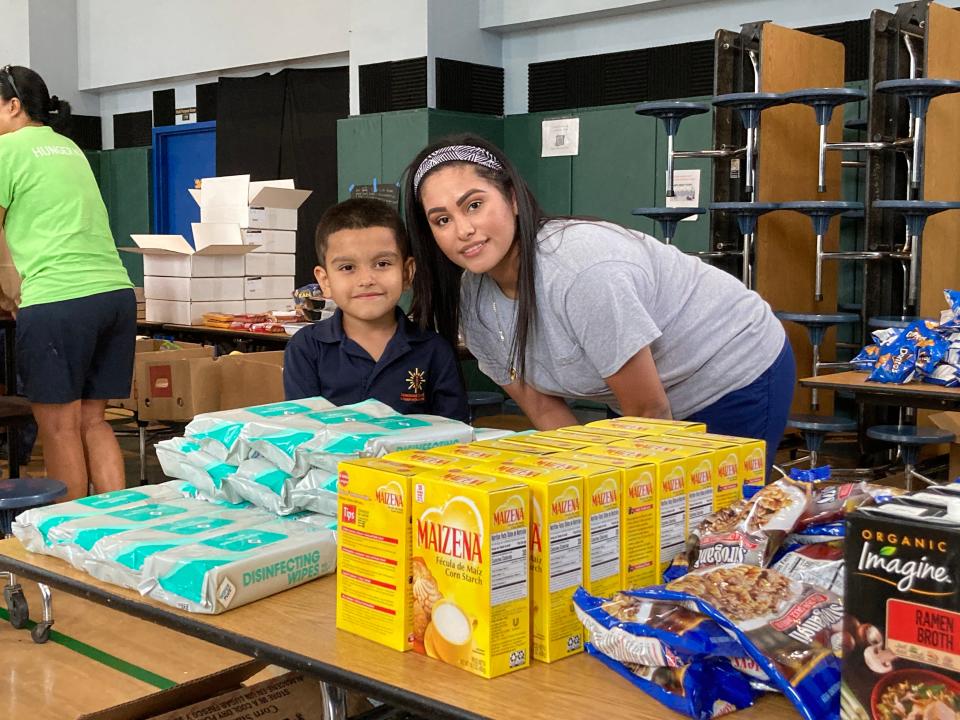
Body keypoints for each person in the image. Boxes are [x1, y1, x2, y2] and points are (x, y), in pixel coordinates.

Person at [402, 134, 795, 477]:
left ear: (512, 199)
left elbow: (648, 413)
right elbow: (543, 409)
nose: (463, 230)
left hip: (731, 371)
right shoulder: (473, 299)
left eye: (473, 205)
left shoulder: (581, 270)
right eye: (441, 220)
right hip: (646, 403)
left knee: (717, 530)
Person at [0, 65, 135, 500]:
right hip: (115, 295)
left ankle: (69, 537)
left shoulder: (7, 150)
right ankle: (119, 525)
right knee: (92, 421)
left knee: (57, 427)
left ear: (14, 106)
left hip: (60, 299)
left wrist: (7, 288)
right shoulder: (68, 148)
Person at [284, 198, 470, 422]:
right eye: (347, 268)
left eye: (382, 264)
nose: (366, 280)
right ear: (325, 281)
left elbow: (455, 433)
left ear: (407, 272)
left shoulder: (434, 350)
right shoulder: (306, 348)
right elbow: (303, 432)